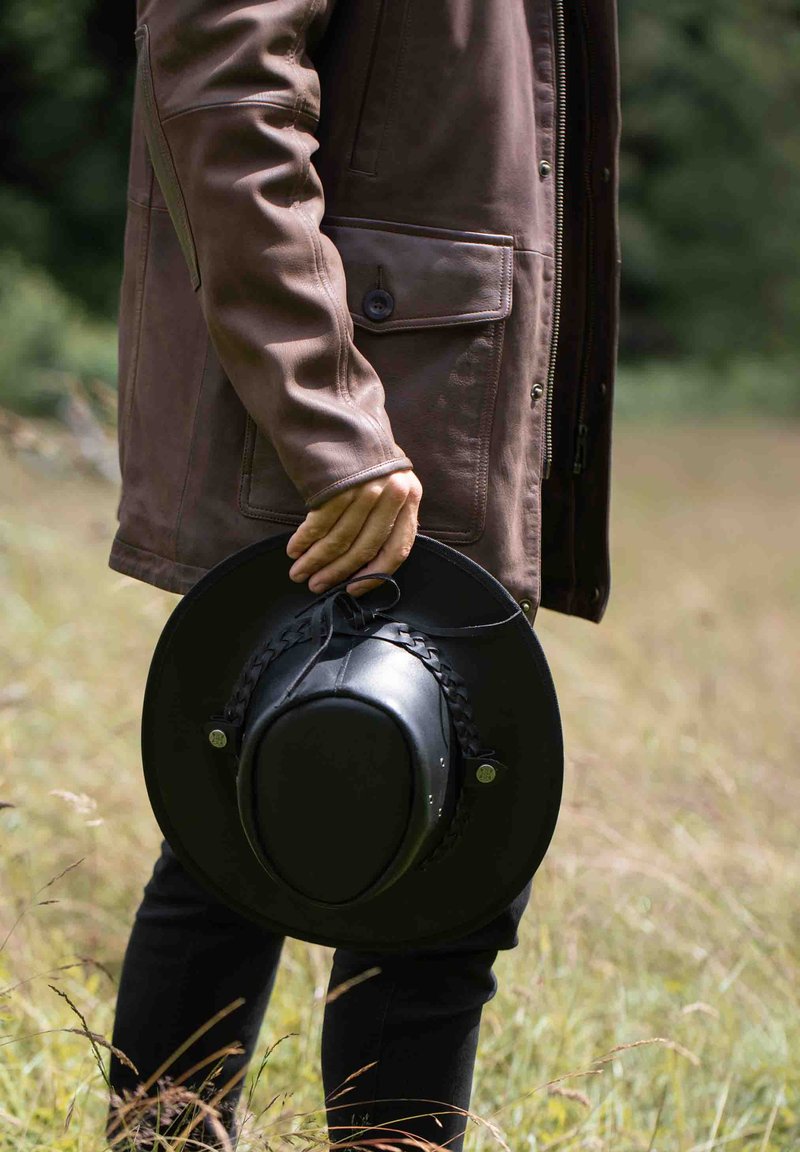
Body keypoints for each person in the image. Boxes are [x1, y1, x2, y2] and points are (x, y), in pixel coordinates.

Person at [105, 1, 622, 1148]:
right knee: (286, 812)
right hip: (361, 410)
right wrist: (333, 424)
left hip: (434, 388)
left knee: (419, 846)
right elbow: (226, 98)